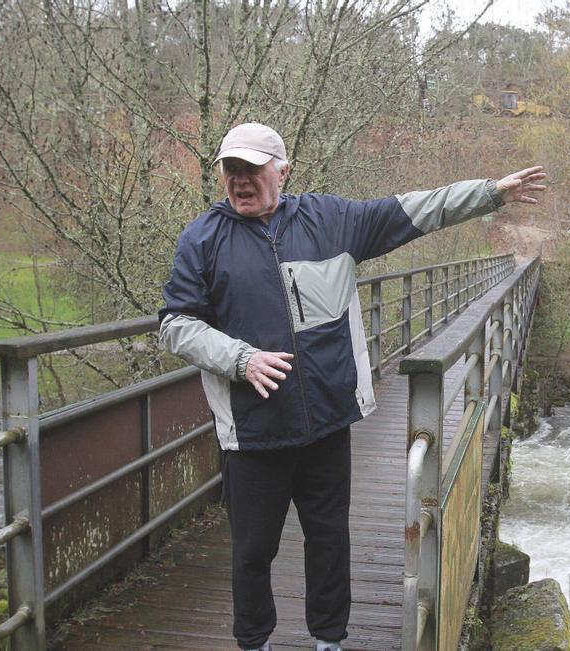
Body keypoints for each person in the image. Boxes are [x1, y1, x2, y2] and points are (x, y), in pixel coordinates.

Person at [158, 122, 546, 651]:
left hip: (326, 422)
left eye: (251, 169)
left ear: (282, 171)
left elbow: (417, 210)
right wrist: (241, 359)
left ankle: (329, 641)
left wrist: (489, 194)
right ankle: (255, 643)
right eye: (231, 170)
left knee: (329, 541)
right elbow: (176, 324)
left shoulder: (332, 219)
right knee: (252, 551)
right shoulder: (202, 239)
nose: (240, 181)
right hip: (253, 432)